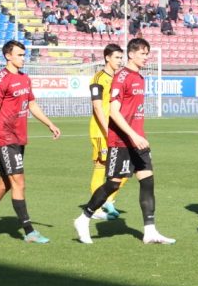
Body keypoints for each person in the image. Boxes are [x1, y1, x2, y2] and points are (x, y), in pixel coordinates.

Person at [74, 38, 175, 245]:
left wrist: (139, 135)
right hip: (121, 140)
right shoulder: (121, 77)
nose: (147, 57)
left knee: (147, 181)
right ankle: (84, 218)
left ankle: (150, 231)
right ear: (131, 54)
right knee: (113, 183)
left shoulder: (139, 77)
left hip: (137, 140)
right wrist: (133, 135)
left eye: (147, 53)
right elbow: (113, 111)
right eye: (143, 53)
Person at [0, 40, 60, 243]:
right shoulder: (0, 80)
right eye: (19, 55)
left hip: (18, 138)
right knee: (19, 182)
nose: (23, 58)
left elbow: (32, 105)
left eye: (24, 55)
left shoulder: (25, 79)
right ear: (8, 56)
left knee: (4, 184)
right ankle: (29, 232)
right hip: (4, 138)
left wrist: (49, 124)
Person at [87, 44, 126, 221]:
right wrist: (106, 129)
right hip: (101, 130)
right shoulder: (98, 78)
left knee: (126, 167)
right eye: (117, 57)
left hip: (115, 130)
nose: (120, 61)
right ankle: (94, 209)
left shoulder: (118, 78)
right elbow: (97, 106)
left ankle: (108, 199)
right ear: (107, 58)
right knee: (101, 167)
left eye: (121, 57)